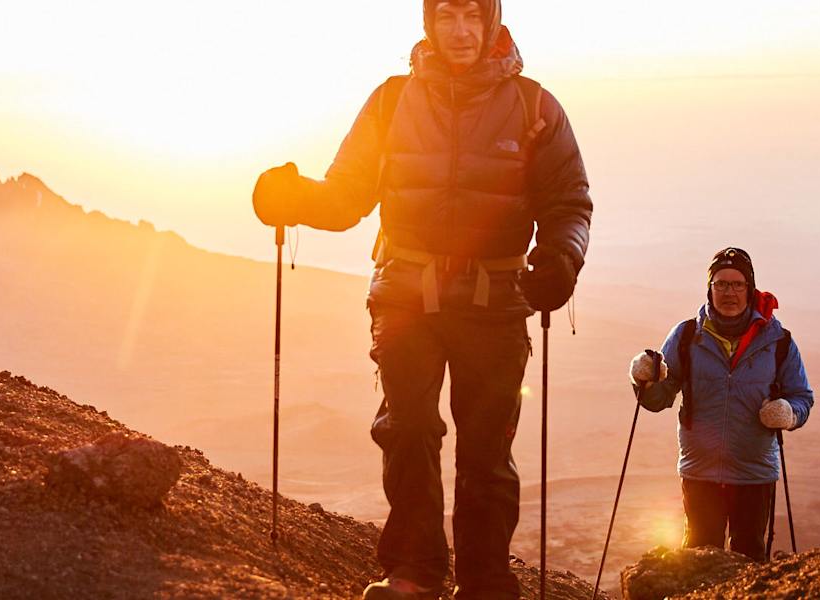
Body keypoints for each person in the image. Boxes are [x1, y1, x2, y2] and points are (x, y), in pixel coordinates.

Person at [251, 0, 592, 597]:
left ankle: (484, 582)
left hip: (496, 300)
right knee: (408, 432)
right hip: (406, 295)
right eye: (447, 17)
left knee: (486, 451)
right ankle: (412, 575)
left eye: (471, 17)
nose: (459, 31)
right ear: (428, 24)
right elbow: (346, 195)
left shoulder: (535, 106)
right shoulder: (390, 101)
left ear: (490, 23)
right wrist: (292, 198)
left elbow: (569, 202)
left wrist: (562, 259)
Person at [628, 247, 813, 560]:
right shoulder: (686, 336)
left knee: (750, 555)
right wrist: (644, 380)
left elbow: (802, 398)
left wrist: (788, 413)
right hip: (700, 472)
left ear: (750, 289)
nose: (729, 292)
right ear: (709, 289)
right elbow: (659, 400)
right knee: (699, 555)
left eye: (737, 284)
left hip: (754, 473)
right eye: (721, 284)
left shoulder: (778, 341)